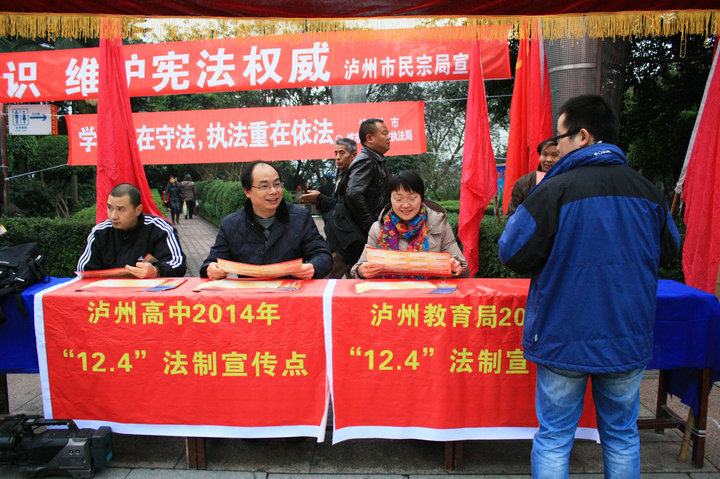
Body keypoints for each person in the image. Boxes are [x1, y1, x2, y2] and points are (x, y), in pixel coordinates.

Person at [498, 94, 681, 478]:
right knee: (622, 435)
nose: (556, 149)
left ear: (582, 136)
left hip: (562, 335)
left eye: (560, 138)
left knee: (554, 437)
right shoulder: (647, 191)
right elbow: (670, 249)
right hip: (627, 336)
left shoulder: (553, 191)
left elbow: (510, 250)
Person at [201, 161, 332, 280]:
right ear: (247, 191)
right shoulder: (231, 224)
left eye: (277, 184)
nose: (273, 191)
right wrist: (211, 269)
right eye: (264, 186)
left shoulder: (300, 218)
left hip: (291, 293)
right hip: (251, 296)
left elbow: (323, 254)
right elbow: (212, 261)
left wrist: (313, 267)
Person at [351, 170, 468, 279]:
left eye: (412, 199)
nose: (406, 205)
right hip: (390, 294)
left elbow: (464, 270)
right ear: (390, 199)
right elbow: (360, 267)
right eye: (398, 199)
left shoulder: (438, 225)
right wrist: (362, 271)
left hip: (430, 293)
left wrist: (455, 267)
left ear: (421, 198)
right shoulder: (378, 228)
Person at [77, 183, 187, 278]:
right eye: (109, 208)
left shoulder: (159, 229)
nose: (113, 216)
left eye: (120, 209)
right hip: (108, 293)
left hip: (149, 293)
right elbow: (84, 270)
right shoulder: (100, 232)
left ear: (138, 210)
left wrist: (156, 271)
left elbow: (178, 263)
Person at [300, 138, 358, 278]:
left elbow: (347, 207)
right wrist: (318, 202)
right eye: (336, 153)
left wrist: (321, 199)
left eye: (342, 153)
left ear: (353, 155)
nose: (337, 157)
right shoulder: (343, 175)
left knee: (327, 278)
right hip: (338, 236)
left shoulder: (356, 177)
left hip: (347, 241)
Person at [346, 118, 390, 236]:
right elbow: (354, 194)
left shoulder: (375, 159)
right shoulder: (367, 160)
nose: (389, 137)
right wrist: (373, 226)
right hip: (368, 233)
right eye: (384, 133)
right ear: (369, 138)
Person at [506, 138, 560, 216]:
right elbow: (513, 214)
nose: (548, 160)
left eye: (554, 155)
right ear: (539, 156)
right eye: (544, 154)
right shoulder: (523, 182)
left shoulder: (568, 180)